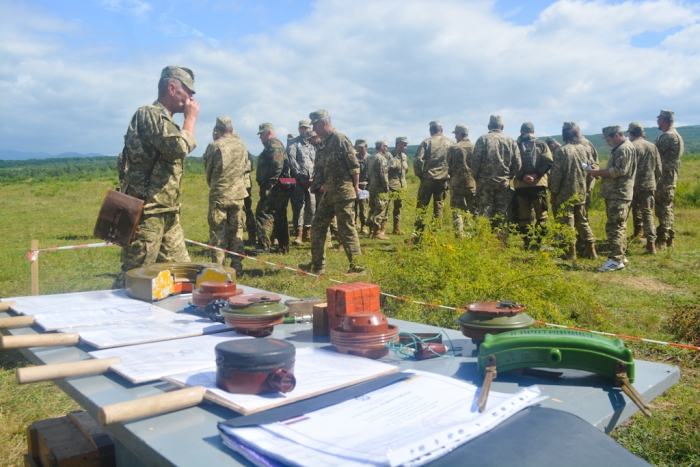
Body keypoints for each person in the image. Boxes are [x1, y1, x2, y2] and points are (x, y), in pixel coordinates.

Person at [113, 66, 199, 289]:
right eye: (187, 92)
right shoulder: (150, 114)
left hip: (167, 211)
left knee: (182, 273)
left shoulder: (165, 120)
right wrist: (191, 120)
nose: (191, 98)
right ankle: (114, 315)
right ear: (172, 88)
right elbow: (178, 147)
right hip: (147, 212)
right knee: (136, 275)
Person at [299, 110, 364, 275]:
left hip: (343, 192)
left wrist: (356, 188)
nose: (313, 128)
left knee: (346, 228)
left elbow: (354, 165)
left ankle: (357, 267)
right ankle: (317, 265)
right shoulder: (325, 143)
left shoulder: (340, 139)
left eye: (314, 124)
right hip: (329, 193)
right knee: (317, 226)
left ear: (323, 122)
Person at [202, 116, 249, 275]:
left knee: (217, 234)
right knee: (237, 231)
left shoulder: (214, 146)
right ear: (231, 128)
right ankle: (237, 267)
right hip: (238, 195)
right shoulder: (241, 145)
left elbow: (209, 171)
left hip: (220, 195)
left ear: (217, 129)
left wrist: (215, 185)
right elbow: (245, 168)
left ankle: (219, 269)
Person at [589, 126, 637, 272]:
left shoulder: (624, 149)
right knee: (619, 225)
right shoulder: (622, 148)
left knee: (614, 226)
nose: (608, 142)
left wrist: (598, 172)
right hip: (618, 193)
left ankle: (615, 259)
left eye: (609, 140)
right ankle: (620, 255)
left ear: (617, 135)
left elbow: (619, 170)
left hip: (618, 194)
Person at [549, 122, 597, 260]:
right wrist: (586, 187)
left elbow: (556, 175)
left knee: (567, 223)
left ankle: (571, 253)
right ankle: (591, 250)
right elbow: (590, 171)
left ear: (564, 135)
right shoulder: (585, 149)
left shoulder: (561, 151)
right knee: (582, 221)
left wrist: (554, 193)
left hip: (565, 194)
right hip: (581, 192)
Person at [471, 115, 522, 233]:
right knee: (502, 212)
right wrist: (510, 176)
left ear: (489, 126)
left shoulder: (482, 139)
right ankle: (501, 240)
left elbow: (475, 162)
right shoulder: (510, 141)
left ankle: (484, 240)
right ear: (502, 127)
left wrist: (476, 177)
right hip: (503, 182)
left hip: (484, 182)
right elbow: (518, 163)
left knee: (484, 211)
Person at [407, 120, 453, 243]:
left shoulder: (427, 142)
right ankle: (435, 237)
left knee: (421, 207)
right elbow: (454, 162)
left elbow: (417, 160)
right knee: (438, 207)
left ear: (431, 131)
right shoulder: (451, 143)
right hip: (443, 179)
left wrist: (420, 175)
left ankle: (417, 236)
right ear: (441, 130)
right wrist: (449, 176)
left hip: (428, 178)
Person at [513, 122, 553, 246]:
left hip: (521, 186)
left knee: (524, 215)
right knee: (542, 215)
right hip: (538, 185)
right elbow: (548, 162)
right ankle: (540, 242)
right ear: (533, 132)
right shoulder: (541, 144)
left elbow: (511, 164)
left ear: (521, 132)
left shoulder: (515, 145)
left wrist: (523, 176)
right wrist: (535, 175)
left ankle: (527, 241)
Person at [254, 122, 291, 254]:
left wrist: (271, 183)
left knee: (263, 212)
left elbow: (277, 164)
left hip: (275, 187)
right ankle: (283, 246)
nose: (260, 137)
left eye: (262, 134)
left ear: (269, 132)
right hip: (279, 186)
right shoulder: (274, 144)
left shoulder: (274, 145)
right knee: (279, 215)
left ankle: (263, 246)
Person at [628, 122, 662, 254]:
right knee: (647, 214)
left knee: (625, 214)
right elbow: (658, 168)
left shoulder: (630, 146)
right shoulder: (652, 146)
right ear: (642, 133)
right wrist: (654, 182)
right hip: (648, 185)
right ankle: (651, 244)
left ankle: (620, 243)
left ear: (630, 133)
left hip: (631, 186)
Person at [654, 109, 684, 249]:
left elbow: (654, 154)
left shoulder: (667, 137)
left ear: (664, 120)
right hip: (670, 177)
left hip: (664, 178)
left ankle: (663, 239)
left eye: (659, 119)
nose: (657, 121)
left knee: (663, 208)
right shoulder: (676, 135)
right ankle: (670, 237)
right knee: (667, 207)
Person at [287, 120, 316, 245]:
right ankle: (298, 233)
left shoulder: (314, 143)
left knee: (312, 207)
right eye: (303, 128)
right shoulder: (293, 143)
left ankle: (307, 232)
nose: (305, 130)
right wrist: (300, 177)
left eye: (307, 128)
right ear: (299, 129)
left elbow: (318, 160)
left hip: (312, 181)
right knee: (298, 207)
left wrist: (313, 177)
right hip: (299, 181)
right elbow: (292, 162)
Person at [446, 124, 476, 237]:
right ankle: (480, 233)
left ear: (459, 133)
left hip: (456, 183)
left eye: (456, 134)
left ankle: (459, 236)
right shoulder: (474, 147)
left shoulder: (454, 148)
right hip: (472, 183)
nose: (455, 137)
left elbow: (448, 164)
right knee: (475, 210)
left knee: (456, 211)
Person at [367, 140, 391, 240]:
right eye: (385, 147)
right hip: (380, 187)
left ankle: (371, 231)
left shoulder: (371, 157)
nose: (386, 149)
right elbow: (383, 174)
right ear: (381, 147)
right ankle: (377, 232)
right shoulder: (381, 158)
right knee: (380, 209)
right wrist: (386, 186)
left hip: (372, 186)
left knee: (372, 208)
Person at [388, 137, 410, 234]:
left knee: (398, 208)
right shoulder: (389, 156)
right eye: (404, 145)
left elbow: (406, 170)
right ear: (398, 145)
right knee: (386, 208)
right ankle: (380, 230)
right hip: (390, 186)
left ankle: (396, 228)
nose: (406, 147)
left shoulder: (404, 157)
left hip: (401, 186)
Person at [355, 139, 370, 234]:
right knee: (353, 206)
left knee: (363, 206)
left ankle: (363, 225)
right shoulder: (353, 157)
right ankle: (354, 223)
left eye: (362, 147)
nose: (360, 149)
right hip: (354, 185)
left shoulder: (369, 158)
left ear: (366, 146)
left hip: (365, 185)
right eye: (358, 147)